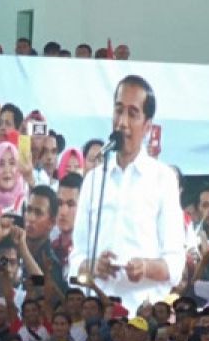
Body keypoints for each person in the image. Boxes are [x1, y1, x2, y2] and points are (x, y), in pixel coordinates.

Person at [70, 75, 186, 309]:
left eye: (132, 114)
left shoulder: (162, 179)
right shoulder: (94, 180)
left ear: (147, 126)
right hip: (97, 312)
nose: (122, 122)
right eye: (118, 110)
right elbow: (75, 259)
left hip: (145, 314)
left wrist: (145, 267)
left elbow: (175, 265)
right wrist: (93, 266)